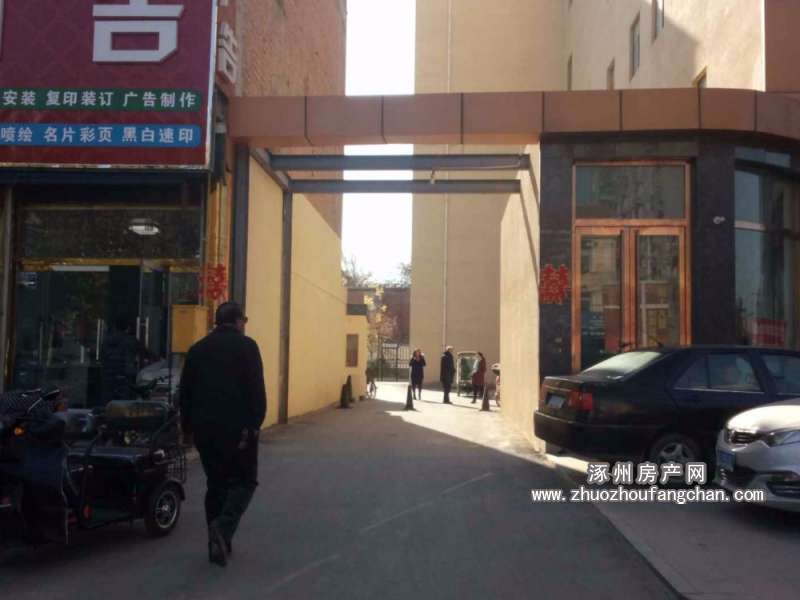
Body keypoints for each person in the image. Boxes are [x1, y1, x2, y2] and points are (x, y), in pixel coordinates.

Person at [180, 302, 267, 568]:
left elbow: (185, 393)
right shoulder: (247, 347)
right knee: (245, 481)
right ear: (238, 321)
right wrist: (254, 424)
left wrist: (187, 429)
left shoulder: (197, 349)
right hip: (238, 430)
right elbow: (256, 389)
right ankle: (223, 528)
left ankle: (216, 543)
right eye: (245, 320)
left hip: (205, 431)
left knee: (216, 484)